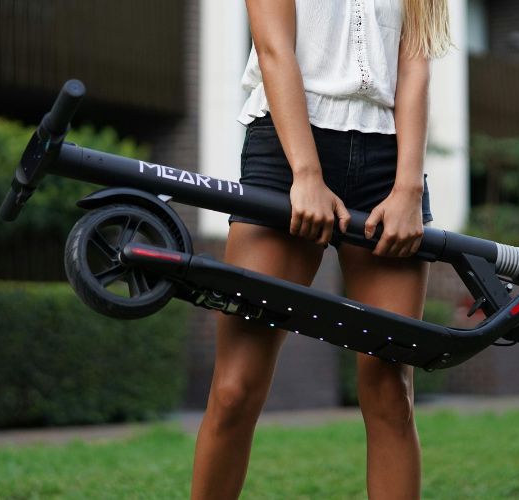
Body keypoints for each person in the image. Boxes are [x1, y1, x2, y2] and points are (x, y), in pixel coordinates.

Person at [190, 0, 451, 498]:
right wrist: (306, 174)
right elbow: (274, 48)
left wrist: (408, 189)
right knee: (235, 389)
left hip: (388, 162)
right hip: (287, 146)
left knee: (391, 391)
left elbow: (415, 64)